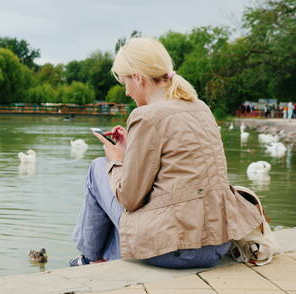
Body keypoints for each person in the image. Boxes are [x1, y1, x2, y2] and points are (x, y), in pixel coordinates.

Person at [71, 37, 262, 269]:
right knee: (118, 183)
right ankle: (102, 258)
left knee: (99, 169)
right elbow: (175, 170)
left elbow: (129, 199)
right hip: (216, 245)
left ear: (138, 78)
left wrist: (116, 159)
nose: (126, 93)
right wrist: (131, 148)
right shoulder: (200, 107)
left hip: (176, 250)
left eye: (125, 83)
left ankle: (88, 259)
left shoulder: (146, 116)